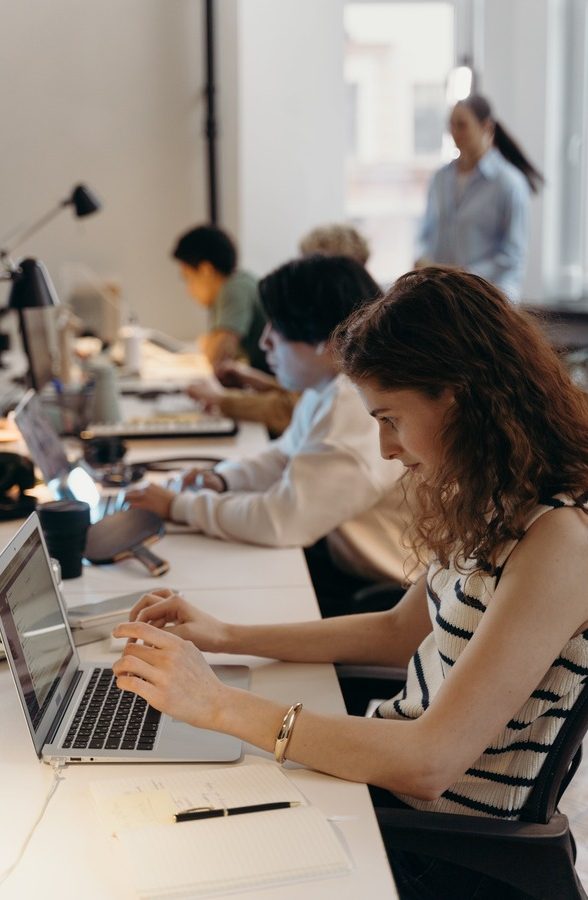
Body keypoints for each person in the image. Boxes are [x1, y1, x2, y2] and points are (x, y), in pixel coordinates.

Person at [115, 267, 588, 899]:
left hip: (439, 848)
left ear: (459, 395)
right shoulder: (497, 499)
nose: (386, 447)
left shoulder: (557, 541)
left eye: (390, 418)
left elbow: (430, 763)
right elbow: (399, 630)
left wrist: (219, 704)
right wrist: (226, 636)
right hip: (387, 791)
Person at [128, 254, 419, 614]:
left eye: (276, 329)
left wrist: (179, 506)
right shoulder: (328, 388)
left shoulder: (355, 411)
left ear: (325, 341)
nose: (264, 343)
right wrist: (220, 481)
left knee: (221, 600)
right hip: (336, 554)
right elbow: (285, 454)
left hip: (380, 589)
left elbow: (280, 521)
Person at [187, 222, 372, 437]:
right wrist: (257, 381)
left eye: (311, 264)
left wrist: (220, 399)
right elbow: (304, 398)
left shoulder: (349, 336)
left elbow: (288, 411)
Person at [416, 94, 544, 301]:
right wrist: (422, 260)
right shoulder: (440, 179)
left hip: (488, 297)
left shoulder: (508, 183)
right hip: (444, 293)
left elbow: (512, 256)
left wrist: (464, 274)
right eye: (451, 125)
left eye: (462, 125)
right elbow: (426, 232)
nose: (455, 132)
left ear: (486, 127)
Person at [172, 224, 268, 371]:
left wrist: (210, 344)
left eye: (188, 278)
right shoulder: (236, 284)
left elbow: (219, 354)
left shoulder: (234, 289)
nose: (188, 290)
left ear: (206, 271)